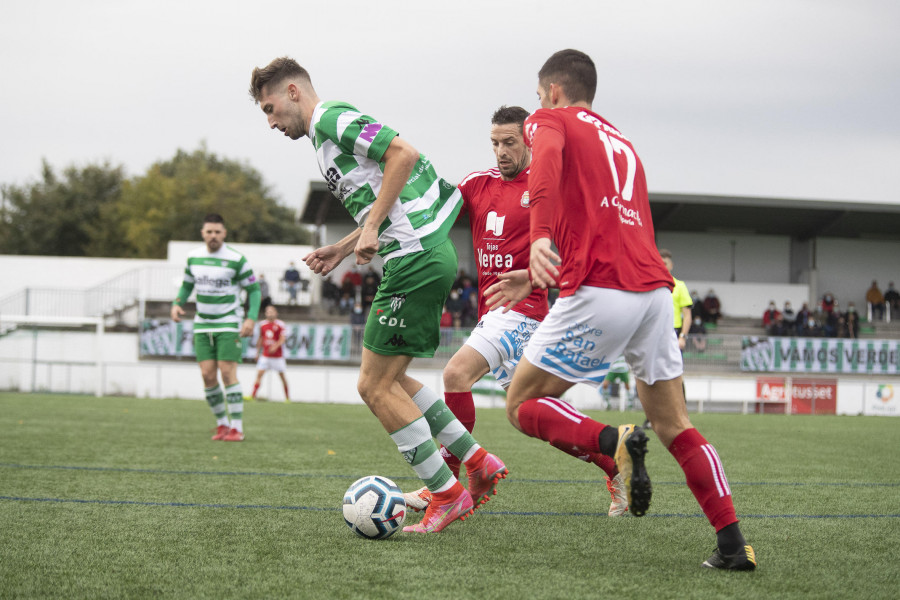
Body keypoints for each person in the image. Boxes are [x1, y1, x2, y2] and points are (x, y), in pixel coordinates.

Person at [485, 49, 755, 570]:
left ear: (554, 92)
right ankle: (731, 544)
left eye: (540, 96)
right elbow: (609, 228)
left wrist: (538, 236)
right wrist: (546, 264)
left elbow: (544, 164)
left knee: (520, 404)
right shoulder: (623, 142)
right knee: (676, 424)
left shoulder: (550, 119)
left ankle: (615, 441)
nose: (537, 106)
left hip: (601, 290)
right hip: (654, 292)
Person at [250, 56, 507, 534]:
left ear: (292, 92)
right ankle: (477, 461)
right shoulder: (322, 142)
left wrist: (368, 227)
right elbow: (381, 199)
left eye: (269, 108)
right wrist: (345, 247)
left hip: (415, 257)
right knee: (395, 380)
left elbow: (402, 155)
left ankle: (447, 494)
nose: (270, 122)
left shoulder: (329, 118)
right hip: (417, 256)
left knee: (372, 386)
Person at [404, 105, 627, 517]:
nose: (501, 151)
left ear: (529, 141)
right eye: (495, 143)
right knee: (537, 421)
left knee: (455, 374)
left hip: (524, 312)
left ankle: (446, 485)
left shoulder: (547, 189)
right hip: (494, 317)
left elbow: (578, 253)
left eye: (509, 142)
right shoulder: (477, 184)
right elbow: (429, 211)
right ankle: (612, 464)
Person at [170, 213, 260, 442]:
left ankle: (237, 428)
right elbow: (187, 286)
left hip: (229, 322)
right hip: (202, 324)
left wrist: (250, 318)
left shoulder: (236, 259)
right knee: (207, 375)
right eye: (209, 232)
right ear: (203, 233)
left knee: (227, 373)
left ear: (224, 233)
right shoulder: (193, 258)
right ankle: (222, 425)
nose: (213, 236)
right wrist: (177, 304)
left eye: (217, 232)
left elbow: (254, 290)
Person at [251, 305, 289, 402]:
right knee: (259, 374)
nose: (270, 313)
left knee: (282, 377)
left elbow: (282, 339)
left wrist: (275, 346)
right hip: (266, 355)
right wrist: (257, 352)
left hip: (277, 357)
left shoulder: (280, 324)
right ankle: (253, 396)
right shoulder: (262, 324)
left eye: (272, 312)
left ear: (276, 313)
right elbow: (261, 338)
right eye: (268, 312)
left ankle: (287, 398)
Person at [659, 249, 692, 350]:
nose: (662, 266)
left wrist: (682, 337)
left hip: (673, 331)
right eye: (660, 263)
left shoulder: (680, 286)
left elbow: (687, 315)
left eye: (665, 263)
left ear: (671, 265)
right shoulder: (649, 285)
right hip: (655, 330)